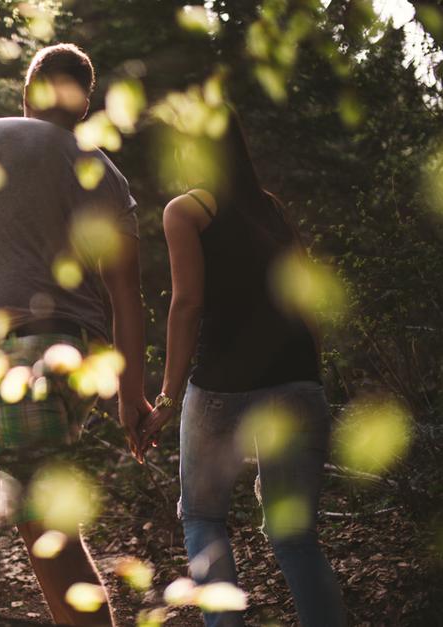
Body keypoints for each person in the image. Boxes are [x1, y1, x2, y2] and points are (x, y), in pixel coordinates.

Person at [0, 43, 151, 626]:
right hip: (83, 357)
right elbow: (127, 296)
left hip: (21, 355)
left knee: (49, 533)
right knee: (43, 528)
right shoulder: (109, 176)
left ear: (28, 92)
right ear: (83, 106)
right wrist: (132, 395)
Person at [138, 111, 347, 626]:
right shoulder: (269, 208)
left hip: (222, 387)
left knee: (203, 517)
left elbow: (187, 304)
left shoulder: (186, 211)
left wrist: (166, 398)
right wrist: (310, 378)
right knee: (295, 535)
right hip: (299, 380)